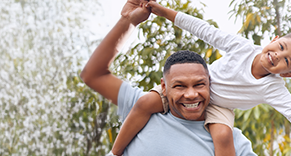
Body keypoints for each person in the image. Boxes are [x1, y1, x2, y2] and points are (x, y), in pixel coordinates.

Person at [111, 1, 291, 156]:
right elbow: (203, 29)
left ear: (286, 73)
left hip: (219, 107)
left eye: (286, 60)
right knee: (144, 103)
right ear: (274, 38)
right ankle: (115, 152)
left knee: (223, 136)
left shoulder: (273, 88)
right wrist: (162, 11)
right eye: (280, 47)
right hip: (197, 87)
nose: (277, 55)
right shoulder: (241, 47)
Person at [80, 1, 258, 155]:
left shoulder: (229, 140)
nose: (190, 94)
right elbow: (93, 74)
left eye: (199, 84)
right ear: (163, 87)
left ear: (210, 84)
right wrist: (128, 21)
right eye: (179, 86)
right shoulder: (141, 108)